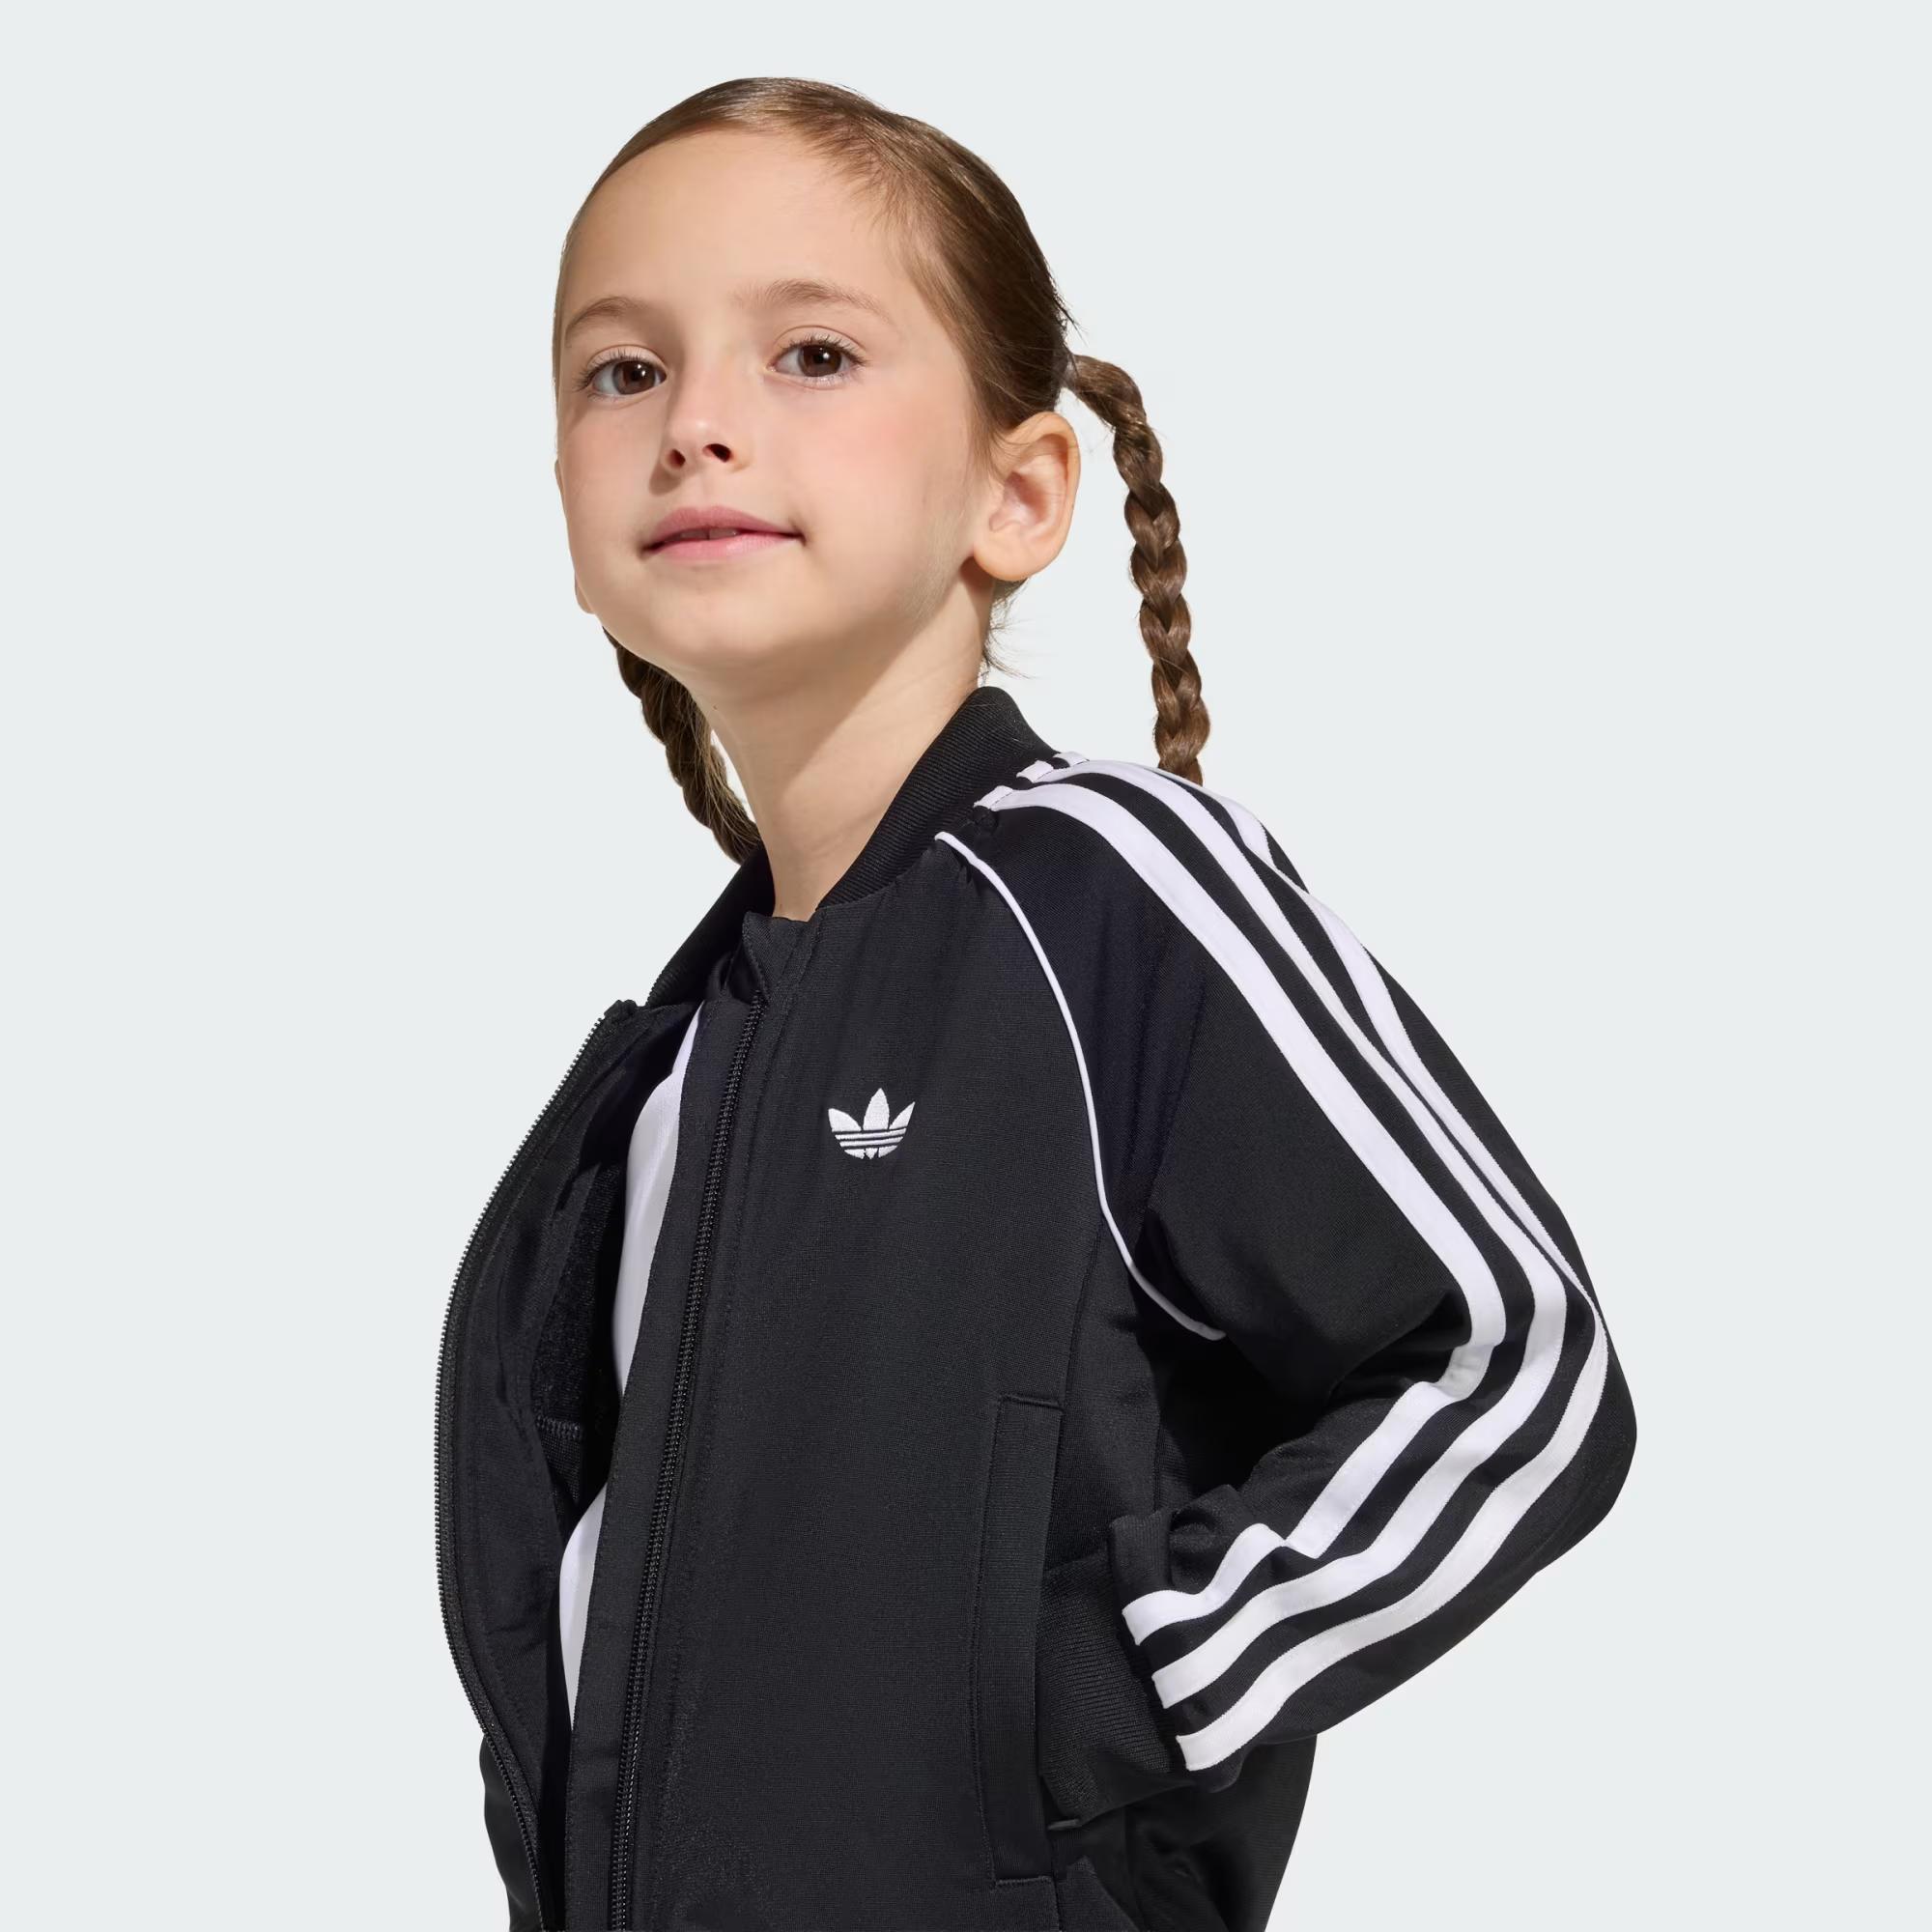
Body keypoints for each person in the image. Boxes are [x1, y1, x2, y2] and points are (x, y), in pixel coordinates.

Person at [436, 75, 1638, 1932]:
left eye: (813, 354)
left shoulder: (1111, 900)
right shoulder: (666, 1073)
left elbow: (1520, 1366)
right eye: (624, 371)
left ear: (1019, 493)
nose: (698, 424)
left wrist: (1104, 1684)